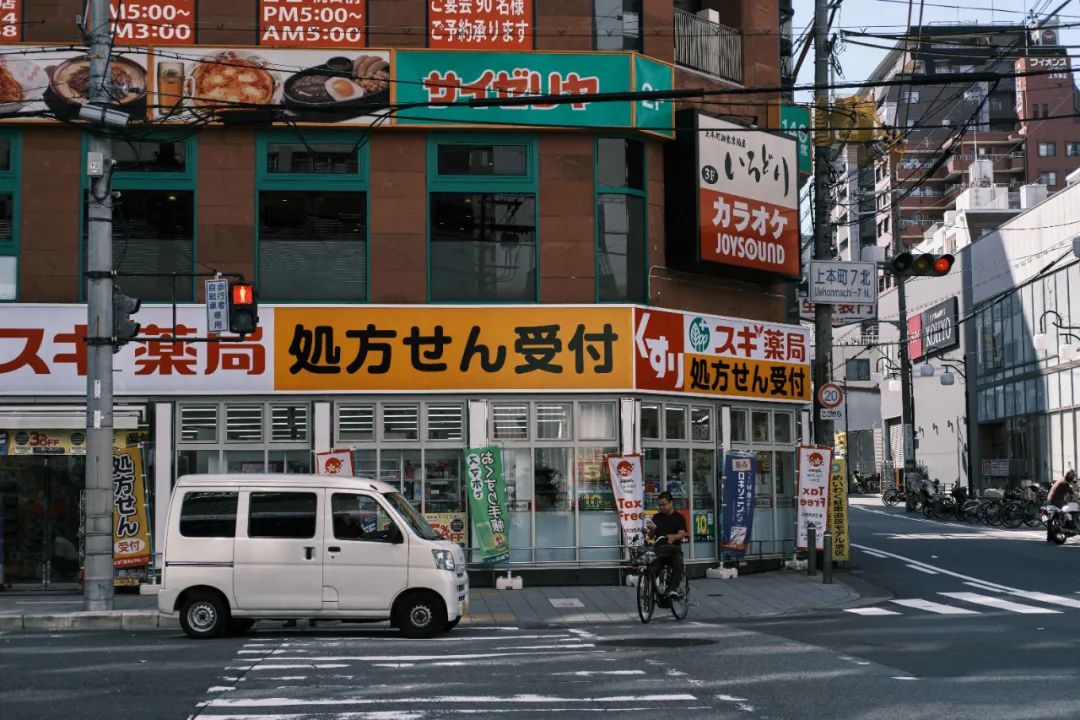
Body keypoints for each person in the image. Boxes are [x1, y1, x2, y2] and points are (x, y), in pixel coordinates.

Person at [646, 491, 686, 598]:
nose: (661, 507)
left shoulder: (679, 517)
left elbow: (681, 534)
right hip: (659, 550)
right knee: (652, 568)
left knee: (678, 564)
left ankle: (671, 590)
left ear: (671, 503)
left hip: (674, 550)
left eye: (664, 504)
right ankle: (651, 590)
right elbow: (650, 536)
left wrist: (673, 537)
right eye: (659, 505)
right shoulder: (656, 517)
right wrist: (652, 530)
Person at [1046, 469, 1077, 542]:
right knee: (1052, 517)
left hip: (1059, 501)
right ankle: (1051, 535)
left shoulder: (1066, 483)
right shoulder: (1061, 481)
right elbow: (1053, 489)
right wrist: (1049, 498)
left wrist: (1074, 496)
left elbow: (1071, 492)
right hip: (1054, 501)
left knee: (1053, 517)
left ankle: (1051, 535)